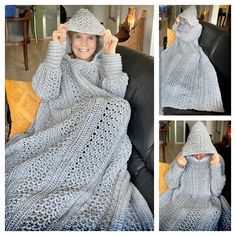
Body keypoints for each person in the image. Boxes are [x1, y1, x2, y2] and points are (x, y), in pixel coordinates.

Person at [5, 9, 154, 231]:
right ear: (70, 39)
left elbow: (116, 96)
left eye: (90, 38)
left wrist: (111, 54)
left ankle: (82, 176)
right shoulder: (60, 64)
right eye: (78, 37)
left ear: (97, 40)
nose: (84, 44)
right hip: (63, 126)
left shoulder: (105, 63)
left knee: (120, 106)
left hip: (94, 129)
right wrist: (55, 50)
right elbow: (45, 91)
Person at [159, 121, 231, 231]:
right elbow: (171, 184)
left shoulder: (216, 160)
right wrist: (179, 166)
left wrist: (215, 168)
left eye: (202, 151)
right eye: (194, 151)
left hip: (206, 200)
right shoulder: (182, 157)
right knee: (172, 215)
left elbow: (216, 192)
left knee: (212, 213)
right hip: (182, 197)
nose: (198, 155)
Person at [160, 6, 224, 113]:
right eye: (183, 18)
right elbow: (174, 29)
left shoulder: (197, 27)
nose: (184, 20)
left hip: (190, 49)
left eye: (185, 18)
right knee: (165, 59)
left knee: (184, 62)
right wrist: (177, 22)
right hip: (177, 46)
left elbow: (187, 38)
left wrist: (178, 33)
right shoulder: (183, 23)